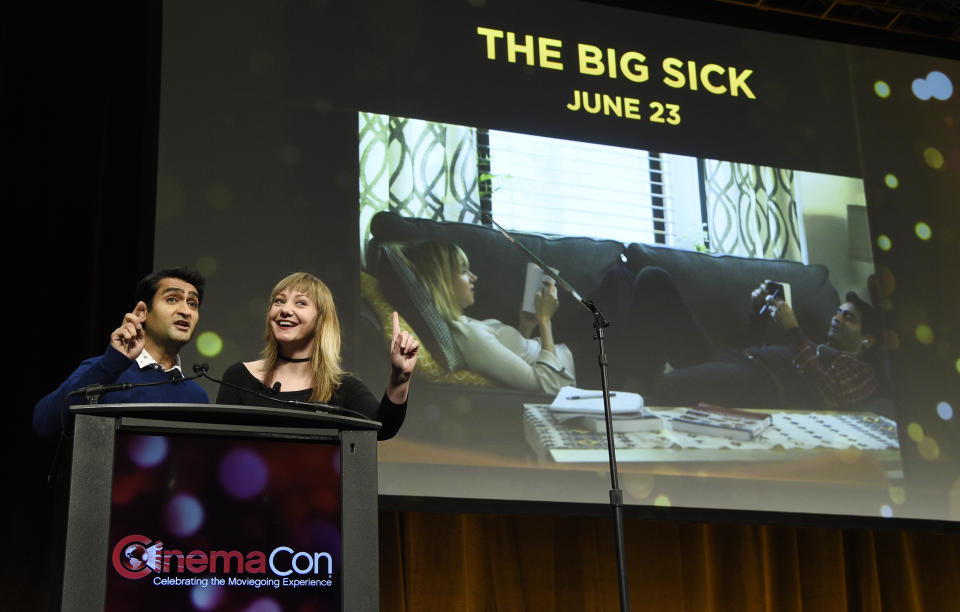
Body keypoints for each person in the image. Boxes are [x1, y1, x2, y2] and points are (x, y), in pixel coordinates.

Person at [599, 266, 879, 411]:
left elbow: (831, 396)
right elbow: (745, 346)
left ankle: (640, 394)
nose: (837, 318)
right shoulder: (813, 342)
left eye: (849, 318)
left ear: (867, 340)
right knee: (653, 279)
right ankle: (633, 383)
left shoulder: (860, 371)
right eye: (839, 312)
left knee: (671, 386)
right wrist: (757, 316)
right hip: (730, 359)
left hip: (760, 385)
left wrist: (793, 331)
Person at [215, 272, 418, 440]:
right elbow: (219, 446)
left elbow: (383, 429)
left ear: (321, 321)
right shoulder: (238, 378)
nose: (285, 310)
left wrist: (400, 378)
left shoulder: (343, 388)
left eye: (301, 303)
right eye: (279, 301)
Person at [33, 267, 209, 438]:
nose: (186, 311)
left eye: (192, 304)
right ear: (142, 312)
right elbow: (44, 423)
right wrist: (110, 365)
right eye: (172, 299)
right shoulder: (104, 369)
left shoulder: (197, 396)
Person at [394, 241, 575, 394]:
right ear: (442, 281)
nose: (473, 277)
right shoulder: (469, 336)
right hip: (572, 368)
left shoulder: (465, 325)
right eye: (463, 271)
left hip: (565, 358)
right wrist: (545, 321)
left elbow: (514, 362)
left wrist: (526, 326)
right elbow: (547, 385)